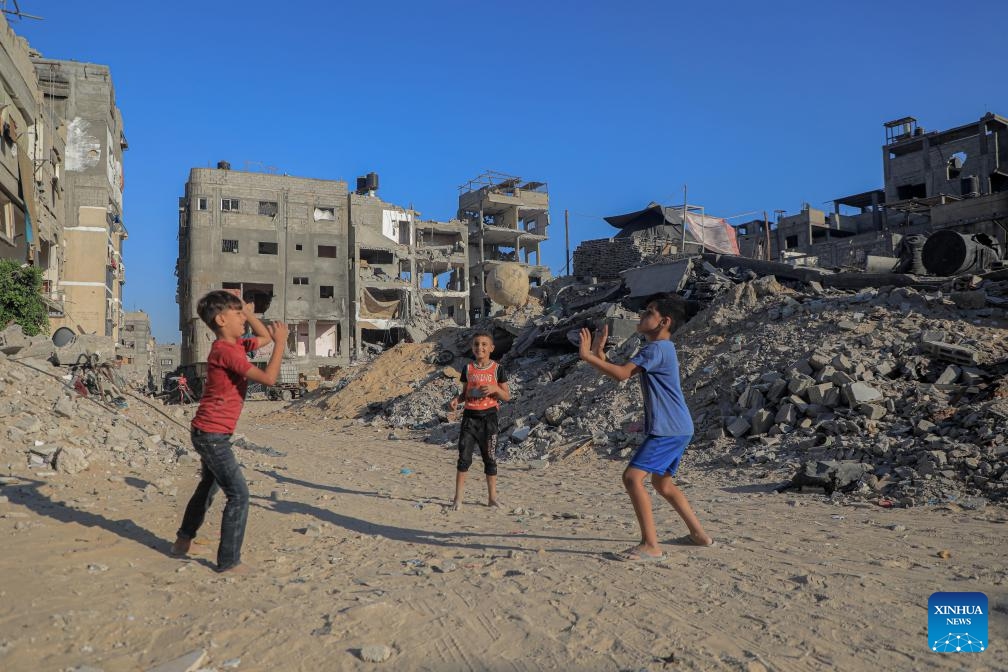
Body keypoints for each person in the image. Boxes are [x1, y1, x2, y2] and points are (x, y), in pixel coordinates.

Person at [578, 294, 712, 561]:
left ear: (664, 321)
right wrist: (599, 355)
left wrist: (586, 357)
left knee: (632, 478)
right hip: (679, 426)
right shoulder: (664, 348)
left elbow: (622, 375)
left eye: (649, 312)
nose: (642, 315)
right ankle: (699, 535)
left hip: (669, 428)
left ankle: (651, 545)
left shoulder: (654, 349)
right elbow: (622, 371)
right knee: (662, 484)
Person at [171, 289, 289, 572]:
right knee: (239, 495)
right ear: (222, 320)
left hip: (211, 433)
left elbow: (264, 338)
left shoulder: (234, 345)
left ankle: (182, 542)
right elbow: (270, 378)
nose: (244, 320)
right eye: (237, 315)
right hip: (212, 436)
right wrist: (281, 346)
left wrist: (248, 311)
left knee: (208, 488)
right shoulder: (227, 352)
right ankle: (228, 561)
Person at [448, 331, 510, 510]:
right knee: (463, 458)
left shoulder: (498, 369)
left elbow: (507, 396)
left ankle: (492, 498)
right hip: (469, 419)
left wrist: (494, 389)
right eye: (476, 344)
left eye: (484, 344)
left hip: (489, 420)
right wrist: (457, 401)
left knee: (490, 459)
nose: (479, 347)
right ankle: (458, 499)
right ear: (472, 347)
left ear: (491, 348)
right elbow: (465, 392)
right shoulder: (468, 369)